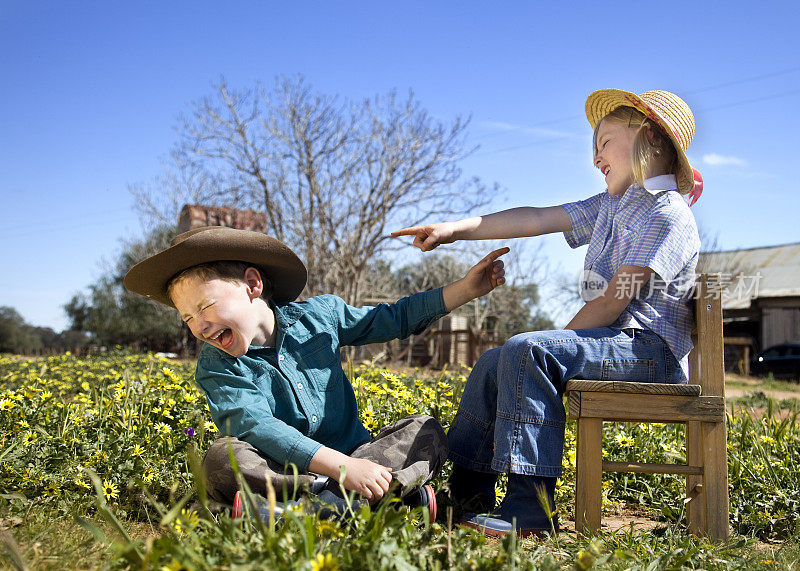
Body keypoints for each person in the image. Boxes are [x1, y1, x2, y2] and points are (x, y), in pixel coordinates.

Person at [391, 89, 702, 536]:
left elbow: (616, 299)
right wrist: (452, 229)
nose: (596, 158)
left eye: (605, 142)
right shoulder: (611, 205)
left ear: (648, 136)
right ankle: (469, 494)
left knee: (529, 350)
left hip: (650, 351)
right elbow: (534, 218)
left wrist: (550, 345)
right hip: (614, 344)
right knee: (493, 362)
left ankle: (530, 506)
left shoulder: (667, 212)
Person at [123, 225, 508, 520]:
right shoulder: (216, 367)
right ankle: (373, 504)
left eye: (205, 307)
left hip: (359, 455)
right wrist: (343, 471)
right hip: (288, 470)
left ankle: (293, 516)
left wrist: (465, 290)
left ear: (253, 285)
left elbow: (390, 319)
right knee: (223, 458)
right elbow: (257, 427)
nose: (198, 326)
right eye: (187, 317)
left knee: (425, 430)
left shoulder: (320, 315)